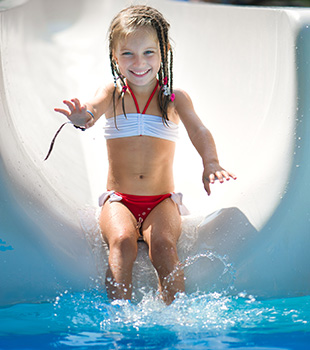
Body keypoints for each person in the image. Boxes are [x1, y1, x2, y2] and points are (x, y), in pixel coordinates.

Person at [54, 5, 236, 305]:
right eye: (128, 54)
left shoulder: (173, 99)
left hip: (161, 201)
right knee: (123, 241)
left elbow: (199, 131)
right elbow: (90, 112)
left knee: (163, 245)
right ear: (115, 56)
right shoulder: (113, 94)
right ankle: (119, 313)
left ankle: (176, 312)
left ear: (163, 52)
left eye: (148, 53)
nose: (139, 62)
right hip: (119, 200)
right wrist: (80, 117)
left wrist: (211, 162)